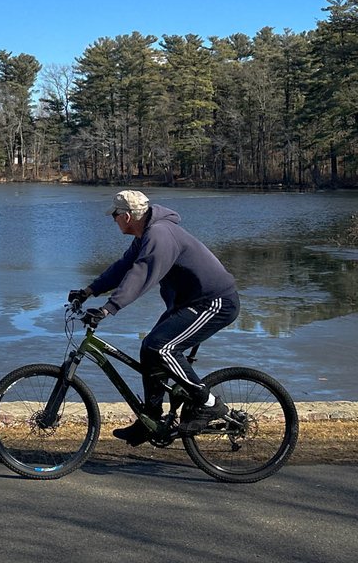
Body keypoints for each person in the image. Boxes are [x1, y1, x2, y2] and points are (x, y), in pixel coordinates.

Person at [70, 190, 240, 446]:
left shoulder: (159, 234)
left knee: (161, 347)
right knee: (149, 349)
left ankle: (208, 404)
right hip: (190, 302)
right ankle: (150, 419)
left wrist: (108, 309)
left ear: (127, 216)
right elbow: (124, 267)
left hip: (215, 302)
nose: (113, 220)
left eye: (115, 215)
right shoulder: (146, 233)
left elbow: (141, 274)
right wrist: (88, 291)